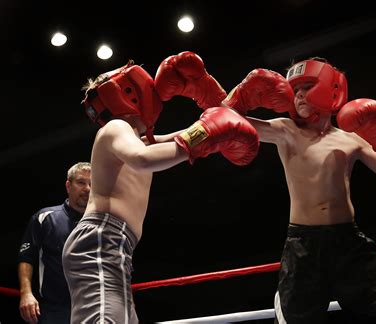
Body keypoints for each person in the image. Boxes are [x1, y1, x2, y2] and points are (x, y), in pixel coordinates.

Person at [62, 54, 259, 323]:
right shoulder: (117, 128)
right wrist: (206, 132)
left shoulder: (137, 139)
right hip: (102, 239)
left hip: (112, 244)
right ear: (130, 93)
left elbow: (182, 139)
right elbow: (146, 160)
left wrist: (223, 113)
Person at [222, 58, 376, 323]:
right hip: (303, 246)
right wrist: (238, 98)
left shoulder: (351, 139)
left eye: (307, 87)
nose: (298, 95)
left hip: (347, 241)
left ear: (329, 89)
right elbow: (226, 121)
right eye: (295, 90)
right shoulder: (286, 131)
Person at [18, 162, 91, 323]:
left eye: (92, 184)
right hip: (55, 310)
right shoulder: (46, 218)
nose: (87, 188)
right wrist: (26, 293)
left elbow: (115, 263)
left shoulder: (102, 223)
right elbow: (26, 258)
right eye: (81, 182)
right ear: (68, 185)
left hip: (94, 307)